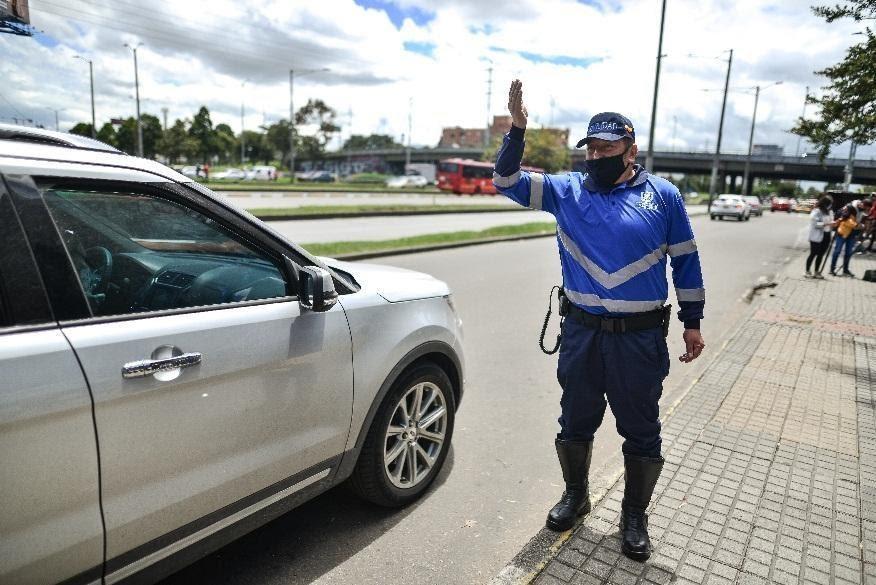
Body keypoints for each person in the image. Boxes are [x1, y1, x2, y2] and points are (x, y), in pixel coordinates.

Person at [493, 80, 706, 562]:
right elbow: (505, 182)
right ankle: (576, 495)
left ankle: (634, 515)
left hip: (641, 338)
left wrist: (692, 321)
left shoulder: (665, 197)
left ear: (631, 150)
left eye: (608, 147)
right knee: (576, 419)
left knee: (641, 426)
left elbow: (686, 262)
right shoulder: (565, 190)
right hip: (583, 333)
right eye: (591, 148)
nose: (597, 155)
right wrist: (517, 131)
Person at [830, 199, 867, 277]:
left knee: (848, 252)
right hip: (843, 231)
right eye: (866, 207)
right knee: (837, 251)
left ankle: (845, 270)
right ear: (862, 204)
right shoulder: (850, 207)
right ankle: (832, 269)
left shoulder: (862, 211)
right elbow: (846, 219)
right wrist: (858, 225)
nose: (867, 210)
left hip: (852, 234)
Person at [805, 196, 833, 278]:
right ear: (825, 204)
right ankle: (807, 271)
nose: (830, 206)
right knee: (813, 254)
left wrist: (833, 224)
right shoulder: (816, 211)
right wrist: (827, 224)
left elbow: (830, 222)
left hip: (826, 235)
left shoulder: (828, 212)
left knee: (821, 255)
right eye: (829, 204)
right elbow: (816, 224)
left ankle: (817, 272)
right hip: (816, 236)